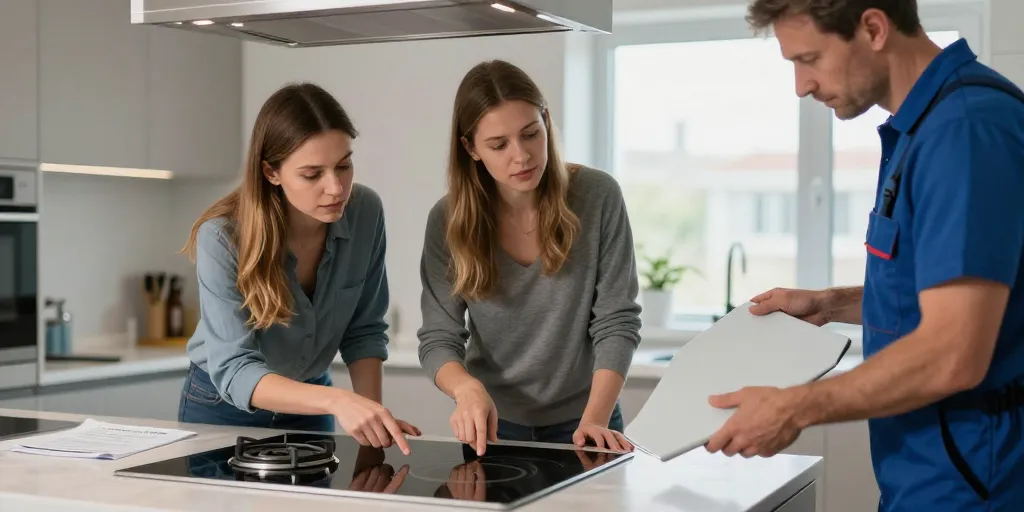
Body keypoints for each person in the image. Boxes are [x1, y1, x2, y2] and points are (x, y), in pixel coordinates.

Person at [703, 1, 1024, 511]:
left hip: (973, 486)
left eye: (808, 59)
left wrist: (793, 409)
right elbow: (938, 291)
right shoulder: (920, 129)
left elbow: (953, 354)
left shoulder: (963, 130)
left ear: (873, 28)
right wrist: (830, 304)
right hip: (924, 475)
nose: (801, 85)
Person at [179, 82, 420, 454]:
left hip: (310, 408)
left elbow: (364, 330)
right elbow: (235, 369)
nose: (336, 188)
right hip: (222, 409)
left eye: (344, 165)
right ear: (271, 172)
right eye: (312, 175)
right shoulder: (223, 236)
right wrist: (338, 401)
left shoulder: (366, 212)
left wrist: (373, 421)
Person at [417, 59, 641, 456]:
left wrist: (595, 419)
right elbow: (439, 338)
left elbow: (616, 321)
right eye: (499, 144)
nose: (521, 156)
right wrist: (466, 388)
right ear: (470, 148)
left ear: (546, 122)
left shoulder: (598, 197)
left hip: (589, 419)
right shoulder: (447, 220)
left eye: (531, 134)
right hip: (493, 427)